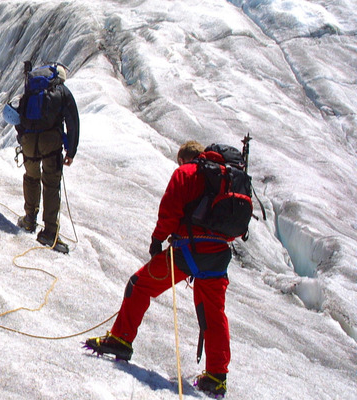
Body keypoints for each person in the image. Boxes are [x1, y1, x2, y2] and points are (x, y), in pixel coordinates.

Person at [84, 140, 233, 398]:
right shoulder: (227, 178)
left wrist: (157, 240)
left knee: (139, 285)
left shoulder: (187, 173)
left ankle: (120, 339)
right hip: (219, 255)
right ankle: (217, 376)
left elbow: (170, 210)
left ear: (187, 159)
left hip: (188, 250)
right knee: (212, 313)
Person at [14, 62, 79, 253]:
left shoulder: (32, 89)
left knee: (31, 177)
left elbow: (19, 114)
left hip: (28, 140)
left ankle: (29, 220)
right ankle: (49, 232)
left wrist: (23, 137)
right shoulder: (62, 92)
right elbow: (72, 121)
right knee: (50, 184)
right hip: (50, 141)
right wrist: (71, 150)